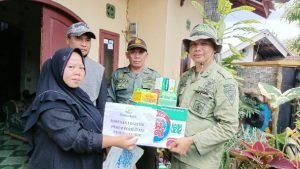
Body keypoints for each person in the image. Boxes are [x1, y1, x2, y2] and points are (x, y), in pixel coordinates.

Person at [22, 48, 137, 169]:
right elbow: (75, 138)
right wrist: (115, 141)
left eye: (81, 68)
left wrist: (115, 145)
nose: (78, 72)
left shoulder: (78, 94)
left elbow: (95, 122)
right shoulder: (51, 102)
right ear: (58, 68)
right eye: (71, 67)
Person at [168, 23, 239, 169]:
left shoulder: (223, 80)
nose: (197, 48)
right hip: (177, 156)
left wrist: (191, 141)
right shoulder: (186, 76)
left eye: (204, 43)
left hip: (200, 163)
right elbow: (177, 112)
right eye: (193, 44)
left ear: (214, 48)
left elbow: (229, 126)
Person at [107, 38, 160, 169]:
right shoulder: (118, 75)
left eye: (141, 52)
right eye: (133, 52)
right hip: (122, 133)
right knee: (120, 166)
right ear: (127, 55)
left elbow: (160, 105)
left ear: (146, 55)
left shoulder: (155, 76)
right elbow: (109, 101)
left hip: (145, 134)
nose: (137, 56)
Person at [66, 22, 106, 113]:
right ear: (68, 40)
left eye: (87, 40)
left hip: (89, 124)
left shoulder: (98, 70)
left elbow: (102, 106)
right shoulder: (53, 64)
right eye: (78, 38)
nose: (84, 44)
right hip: (61, 122)